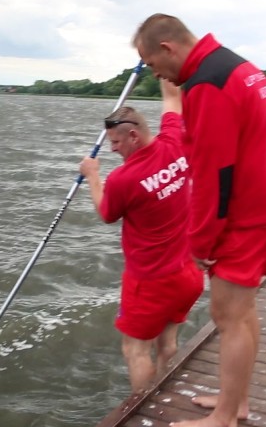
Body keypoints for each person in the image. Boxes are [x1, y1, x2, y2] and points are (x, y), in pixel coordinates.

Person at [132, 14, 266, 427]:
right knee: (244, 311)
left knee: (229, 318)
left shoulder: (208, 85)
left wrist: (200, 243)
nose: (157, 74)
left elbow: (213, 173)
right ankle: (235, 401)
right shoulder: (239, 67)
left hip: (248, 220)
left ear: (167, 48)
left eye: (153, 65)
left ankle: (223, 418)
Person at [79, 88, 204, 394]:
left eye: (116, 143)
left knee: (134, 351)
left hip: (150, 281)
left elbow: (107, 214)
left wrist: (92, 176)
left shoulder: (124, 179)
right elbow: (173, 101)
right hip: (189, 273)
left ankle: (145, 412)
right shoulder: (174, 141)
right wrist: (163, 78)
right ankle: (162, 388)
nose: (112, 150)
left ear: (133, 136)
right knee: (167, 342)